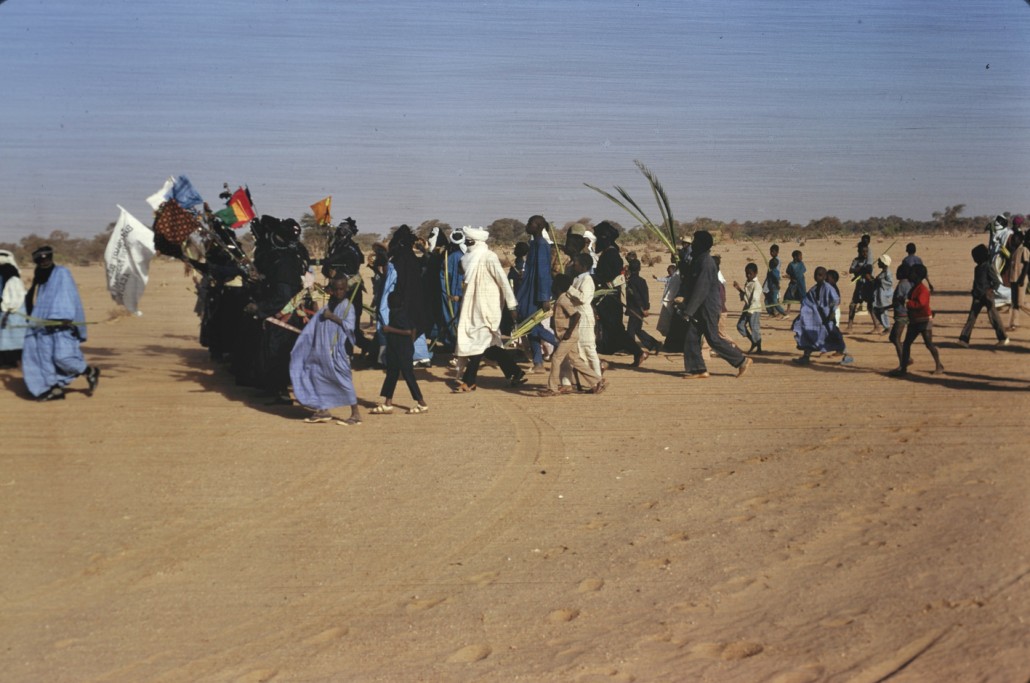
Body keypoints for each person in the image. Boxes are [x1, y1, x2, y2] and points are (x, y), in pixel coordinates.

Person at [21, 246, 100, 400]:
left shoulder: (62, 273)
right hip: (42, 325)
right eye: (40, 260)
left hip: (62, 324)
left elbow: (66, 296)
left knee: (62, 357)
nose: (44, 262)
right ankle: (53, 388)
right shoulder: (40, 275)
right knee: (44, 358)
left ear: (51, 258)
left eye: (47, 259)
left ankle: (89, 371)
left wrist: (61, 317)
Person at [453, 226, 527, 392]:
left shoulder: (489, 257)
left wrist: (512, 305)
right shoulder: (467, 258)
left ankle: (469, 381)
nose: (467, 244)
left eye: (470, 241)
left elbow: (503, 281)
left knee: (478, 344)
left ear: (477, 242)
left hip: (488, 308)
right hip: (472, 308)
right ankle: (515, 372)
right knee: (489, 347)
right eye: (466, 241)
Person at [288, 274, 362, 425]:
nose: (339, 292)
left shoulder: (348, 307)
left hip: (338, 351)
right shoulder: (329, 305)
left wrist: (332, 317)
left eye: (342, 289)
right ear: (332, 290)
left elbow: (349, 327)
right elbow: (317, 324)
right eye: (336, 289)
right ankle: (323, 409)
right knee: (318, 375)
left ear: (346, 289)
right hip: (323, 350)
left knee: (343, 380)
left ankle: (356, 414)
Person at [678, 231, 752, 379]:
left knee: (713, 339)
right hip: (700, 308)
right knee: (691, 336)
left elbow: (701, 289)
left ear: (702, 244)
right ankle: (698, 369)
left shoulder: (706, 263)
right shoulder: (698, 259)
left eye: (695, 241)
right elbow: (690, 278)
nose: (693, 244)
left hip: (708, 307)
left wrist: (688, 311)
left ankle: (742, 361)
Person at [538, 274, 604, 397]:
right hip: (568, 335)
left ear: (558, 286)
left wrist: (568, 333)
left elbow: (576, 315)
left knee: (556, 358)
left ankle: (552, 388)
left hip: (569, 335)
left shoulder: (563, 300)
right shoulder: (561, 299)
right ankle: (597, 380)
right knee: (575, 360)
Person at [592, 221, 646, 365]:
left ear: (604, 238)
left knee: (615, 327)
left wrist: (593, 278)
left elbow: (609, 276)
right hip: (608, 296)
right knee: (612, 327)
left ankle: (638, 352)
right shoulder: (609, 253)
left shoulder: (611, 255)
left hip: (609, 298)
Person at [370, 292, 429, 415]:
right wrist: (410, 344)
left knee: (408, 376)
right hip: (397, 350)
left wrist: (389, 329)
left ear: (388, 304)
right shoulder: (403, 313)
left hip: (401, 351)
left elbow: (408, 331)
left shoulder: (398, 315)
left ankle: (422, 403)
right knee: (391, 375)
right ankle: (388, 403)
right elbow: (413, 329)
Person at [516, 215, 559, 373]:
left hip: (536, 292)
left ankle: (561, 345)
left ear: (539, 226)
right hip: (528, 290)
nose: (527, 225)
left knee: (533, 327)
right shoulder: (534, 244)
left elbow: (543, 273)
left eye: (531, 223)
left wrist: (544, 297)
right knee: (529, 326)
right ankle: (538, 362)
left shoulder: (542, 245)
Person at [890, 263, 943, 377]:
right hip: (915, 320)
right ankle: (903, 368)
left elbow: (921, 304)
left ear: (918, 276)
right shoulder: (915, 287)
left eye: (913, 273)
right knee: (907, 344)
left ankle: (939, 365)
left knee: (928, 344)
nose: (910, 275)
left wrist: (907, 303)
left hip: (924, 321)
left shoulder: (922, 289)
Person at [792, 266, 852, 365]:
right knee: (808, 334)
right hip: (815, 319)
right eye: (816, 275)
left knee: (834, 336)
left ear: (825, 276)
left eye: (820, 275)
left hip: (827, 319)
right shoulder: (813, 289)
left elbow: (835, 300)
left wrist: (831, 313)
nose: (817, 277)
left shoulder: (828, 288)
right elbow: (807, 303)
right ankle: (806, 357)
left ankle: (847, 354)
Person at [561, 252, 603, 388]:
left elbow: (583, 298)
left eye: (577, 263)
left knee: (589, 348)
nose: (574, 265)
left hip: (584, 317)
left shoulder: (587, 280)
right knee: (574, 350)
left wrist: (569, 289)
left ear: (583, 266)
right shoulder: (577, 278)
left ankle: (597, 380)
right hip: (575, 316)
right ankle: (570, 382)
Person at [958, 244, 1010, 347]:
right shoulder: (977, 268)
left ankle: (1003, 338)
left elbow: (996, 282)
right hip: (977, 296)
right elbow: (976, 281)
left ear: (980, 257)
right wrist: (973, 291)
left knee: (994, 318)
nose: (974, 259)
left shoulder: (988, 267)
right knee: (971, 318)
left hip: (987, 296)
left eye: (975, 257)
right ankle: (964, 340)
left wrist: (990, 290)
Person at [625, 259, 661, 353]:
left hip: (635, 309)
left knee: (631, 330)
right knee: (637, 329)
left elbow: (636, 296)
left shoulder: (631, 282)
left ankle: (632, 348)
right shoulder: (641, 281)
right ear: (639, 269)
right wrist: (646, 307)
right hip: (639, 308)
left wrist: (642, 309)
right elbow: (645, 295)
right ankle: (654, 344)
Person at [0, 249, 27, 368]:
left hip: (13, 311)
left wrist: (7, 308)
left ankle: (13, 363)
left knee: (13, 337)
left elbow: (16, 297)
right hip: (5, 311)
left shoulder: (11, 274)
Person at [733, 262, 763, 354]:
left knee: (754, 328)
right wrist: (739, 289)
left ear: (755, 273)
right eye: (747, 273)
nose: (748, 275)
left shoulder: (757, 285)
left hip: (754, 310)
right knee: (740, 326)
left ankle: (759, 348)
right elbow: (746, 296)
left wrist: (750, 312)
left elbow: (755, 300)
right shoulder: (748, 282)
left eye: (750, 274)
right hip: (747, 308)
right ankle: (753, 342)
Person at [889, 262, 913, 368]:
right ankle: (906, 358)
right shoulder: (907, 284)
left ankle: (903, 364)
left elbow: (902, 300)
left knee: (896, 338)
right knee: (893, 337)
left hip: (901, 314)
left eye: (898, 272)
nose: (896, 274)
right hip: (902, 313)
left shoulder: (902, 285)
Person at [846, 242, 873, 332]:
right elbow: (851, 270)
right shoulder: (856, 260)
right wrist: (860, 269)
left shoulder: (868, 261)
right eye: (863, 252)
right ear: (859, 252)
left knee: (870, 306)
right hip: (859, 286)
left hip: (867, 286)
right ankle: (849, 326)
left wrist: (865, 270)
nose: (865, 253)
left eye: (866, 252)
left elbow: (869, 271)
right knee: (852, 305)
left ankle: (877, 325)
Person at [1006, 230, 1029, 330]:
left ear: (1020, 240)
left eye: (1015, 239)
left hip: (1020, 280)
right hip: (1013, 279)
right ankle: (1014, 323)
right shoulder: (1013, 251)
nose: (1013, 240)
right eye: (1013, 239)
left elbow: (1027, 264)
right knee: (1014, 303)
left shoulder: (1024, 250)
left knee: (1020, 303)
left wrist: (1022, 278)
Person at [870, 255, 894, 333]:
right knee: (876, 310)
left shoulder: (888, 273)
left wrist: (880, 281)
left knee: (882, 311)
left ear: (884, 263)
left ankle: (887, 327)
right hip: (879, 295)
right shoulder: (883, 272)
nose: (878, 263)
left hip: (883, 295)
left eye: (879, 262)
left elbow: (890, 283)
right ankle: (885, 325)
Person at [763, 244, 786, 318]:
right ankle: (772, 312)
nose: (771, 253)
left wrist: (777, 282)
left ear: (777, 252)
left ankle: (778, 311)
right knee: (767, 297)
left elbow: (775, 273)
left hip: (773, 281)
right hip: (770, 280)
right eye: (770, 251)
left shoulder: (776, 261)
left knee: (773, 298)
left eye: (773, 252)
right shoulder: (772, 260)